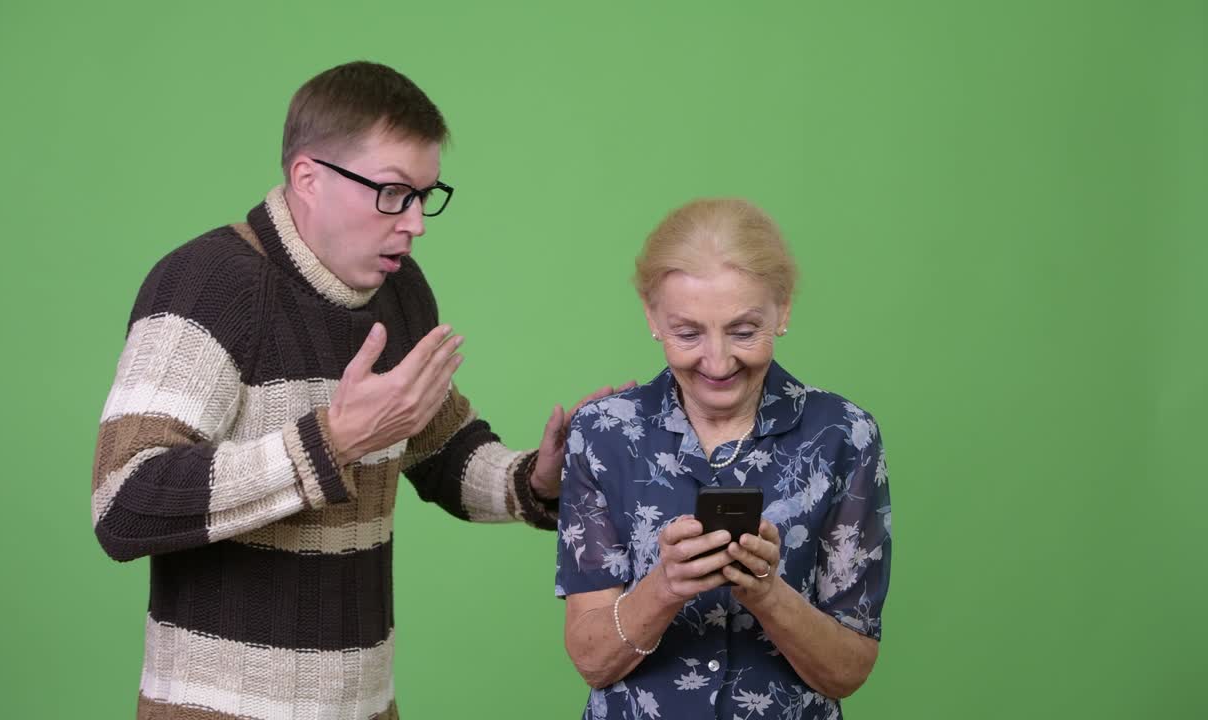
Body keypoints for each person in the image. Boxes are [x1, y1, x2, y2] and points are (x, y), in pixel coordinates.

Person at [91, 60, 621, 719]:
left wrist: (533, 480)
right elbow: (125, 502)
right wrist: (331, 442)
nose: (416, 222)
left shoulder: (400, 293)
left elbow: (440, 450)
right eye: (394, 192)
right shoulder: (208, 286)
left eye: (426, 196)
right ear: (308, 178)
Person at [556, 198, 892, 719]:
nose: (717, 362)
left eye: (743, 331)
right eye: (688, 333)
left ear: (782, 310)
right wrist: (664, 587)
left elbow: (848, 672)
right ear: (652, 316)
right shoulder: (602, 434)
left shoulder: (843, 435)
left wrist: (768, 594)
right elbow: (592, 662)